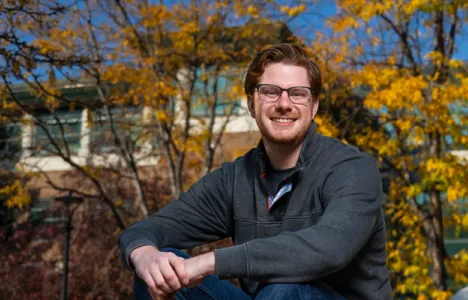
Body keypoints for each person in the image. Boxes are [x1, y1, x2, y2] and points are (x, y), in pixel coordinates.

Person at [118, 44, 391, 300]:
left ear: (314, 106)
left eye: (297, 93)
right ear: (251, 104)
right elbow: (146, 230)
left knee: (286, 288)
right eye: (270, 91)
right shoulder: (235, 179)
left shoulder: (351, 168)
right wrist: (143, 256)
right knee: (160, 272)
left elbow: (330, 247)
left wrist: (209, 263)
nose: (284, 103)